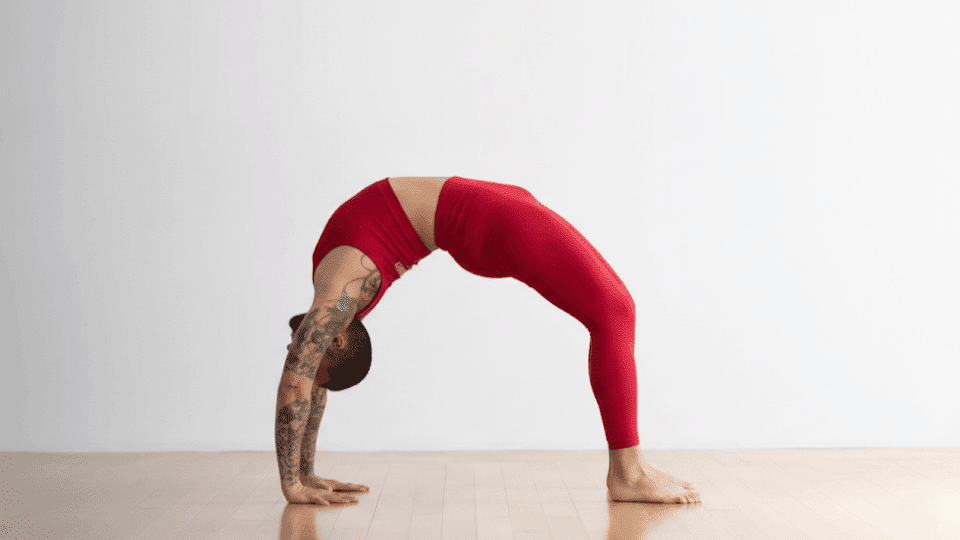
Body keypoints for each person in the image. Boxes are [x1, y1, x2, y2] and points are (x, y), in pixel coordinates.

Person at [275, 176, 701, 505]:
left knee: (615, 311)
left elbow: (296, 382)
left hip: (492, 217)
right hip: (488, 213)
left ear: (332, 344)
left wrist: (293, 483)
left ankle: (628, 473)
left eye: (316, 368)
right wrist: (305, 476)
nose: (304, 367)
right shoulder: (335, 300)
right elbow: (306, 382)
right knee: (616, 310)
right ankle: (627, 473)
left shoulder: (340, 293)